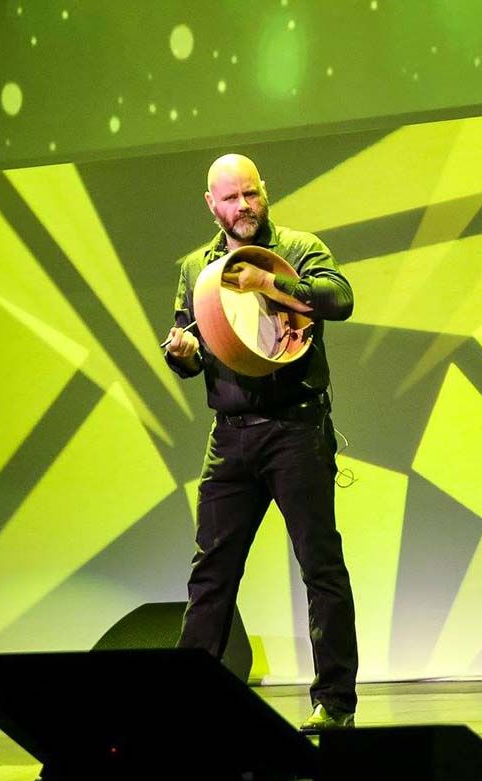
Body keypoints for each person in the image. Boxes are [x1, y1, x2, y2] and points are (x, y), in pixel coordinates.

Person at [164, 153, 357, 731]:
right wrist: (183, 355)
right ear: (212, 205)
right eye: (231, 198)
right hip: (230, 437)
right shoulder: (196, 268)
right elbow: (193, 353)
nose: (243, 206)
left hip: (296, 430)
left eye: (250, 194)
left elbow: (340, 301)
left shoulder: (297, 247)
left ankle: (335, 705)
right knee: (211, 575)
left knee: (320, 567)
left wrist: (267, 281)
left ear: (264, 191)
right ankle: (186, 709)